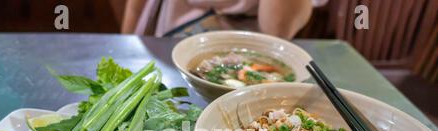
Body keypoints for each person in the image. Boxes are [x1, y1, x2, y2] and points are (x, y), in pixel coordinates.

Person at [117, 0, 329, 39]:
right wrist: (125, 46)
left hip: (246, 55)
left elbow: (278, 29)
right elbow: (137, 6)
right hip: (166, 38)